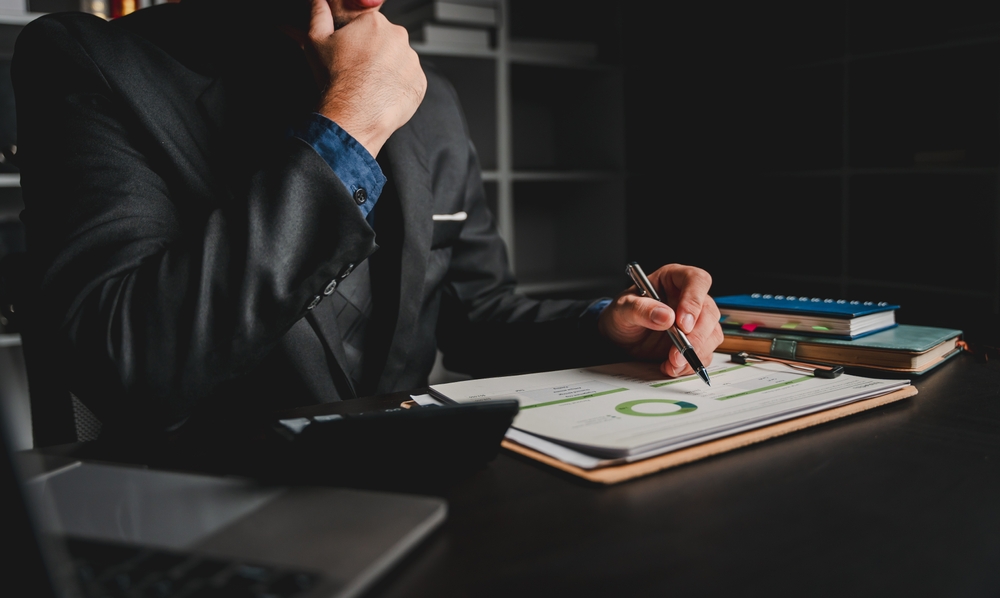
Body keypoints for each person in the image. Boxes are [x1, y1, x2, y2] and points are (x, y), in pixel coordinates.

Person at [10, 0, 723, 439]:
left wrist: (607, 326)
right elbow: (129, 361)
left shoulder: (432, 98)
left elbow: (476, 315)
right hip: (211, 518)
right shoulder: (92, 63)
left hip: (420, 502)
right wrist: (349, 126)